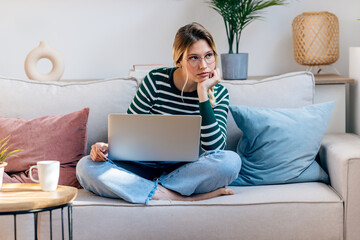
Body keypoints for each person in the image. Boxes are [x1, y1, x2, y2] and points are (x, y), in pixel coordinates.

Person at [76, 22, 241, 204]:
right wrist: (106, 147)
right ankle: (174, 195)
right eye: (194, 58)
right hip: (141, 166)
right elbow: (128, 132)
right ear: (179, 61)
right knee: (85, 166)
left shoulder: (219, 92)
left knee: (231, 162)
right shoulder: (155, 80)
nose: (203, 65)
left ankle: (147, 189)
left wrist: (203, 94)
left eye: (208, 56)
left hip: (185, 170)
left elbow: (215, 149)